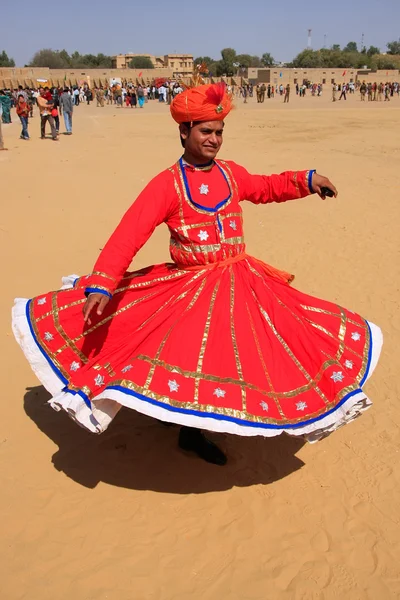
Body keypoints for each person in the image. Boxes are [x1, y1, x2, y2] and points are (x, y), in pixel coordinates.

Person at [12, 81, 382, 466]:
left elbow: (265, 187)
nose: (215, 139)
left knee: (242, 352)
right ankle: (189, 430)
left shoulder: (231, 174)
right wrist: (103, 282)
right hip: (191, 287)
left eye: (220, 132)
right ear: (184, 131)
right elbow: (129, 233)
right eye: (206, 131)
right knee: (192, 357)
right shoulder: (167, 184)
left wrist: (305, 180)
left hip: (240, 281)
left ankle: (190, 423)